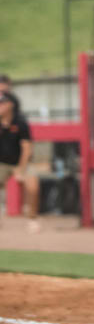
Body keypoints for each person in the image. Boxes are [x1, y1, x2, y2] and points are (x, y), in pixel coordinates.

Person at [0, 93, 39, 233]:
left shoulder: (20, 122)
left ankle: (32, 219)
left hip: (22, 162)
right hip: (2, 163)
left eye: (2, 102)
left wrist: (21, 170)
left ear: (11, 105)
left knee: (33, 185)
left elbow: (27, 149)